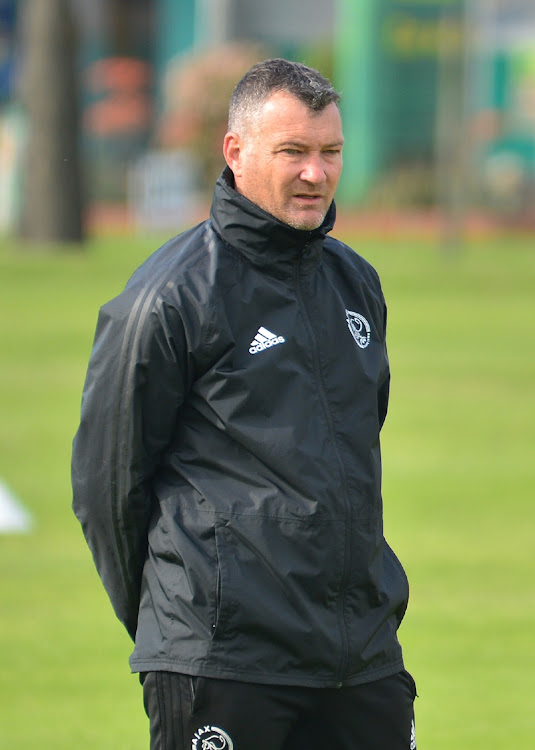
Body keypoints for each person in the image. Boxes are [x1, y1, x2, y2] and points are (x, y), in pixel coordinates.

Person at [72, 58, 417, 750]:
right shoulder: (169, 297)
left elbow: (353, 451)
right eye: (293, 152)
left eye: (329, 153)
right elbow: (109, 488)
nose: (315, 174)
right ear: (235, 151)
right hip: (225, 661)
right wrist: (179, 621)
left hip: (359, 658)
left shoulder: (356, 284)